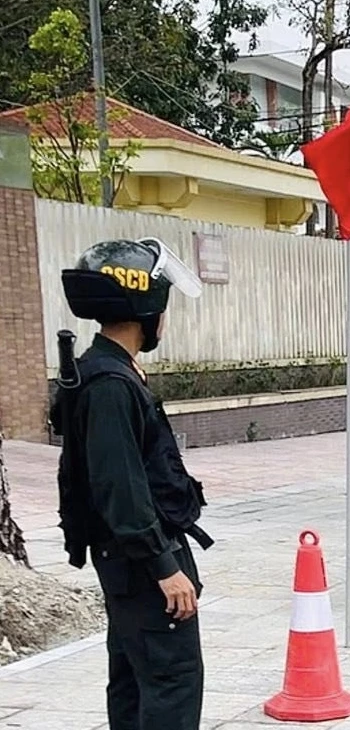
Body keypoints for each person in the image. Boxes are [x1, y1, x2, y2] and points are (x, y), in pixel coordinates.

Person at [51, 238, 210, 730]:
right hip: (140, 561)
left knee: (133, 679)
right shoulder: (111, 386)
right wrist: (164, 566)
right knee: (172, 680)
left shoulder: (109, 373)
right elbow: (119, 487)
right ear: (147, 306)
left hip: (130, 558)